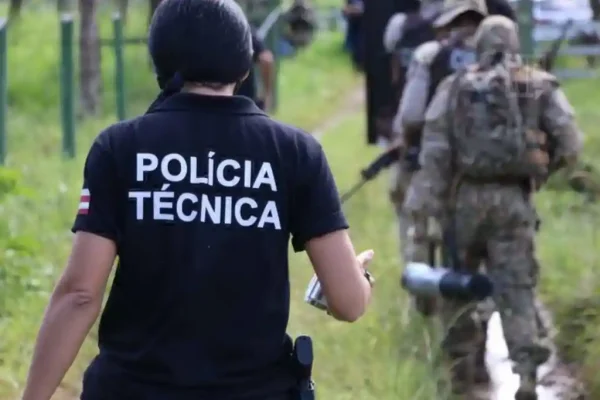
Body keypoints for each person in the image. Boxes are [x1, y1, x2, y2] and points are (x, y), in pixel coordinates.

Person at [21, 0, 375, 399]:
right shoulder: (294, 152)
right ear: (244, 67)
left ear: (161, 62)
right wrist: (356, 277)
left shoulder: (121, 148)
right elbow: (348, 303)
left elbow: (81, 294)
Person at [404, 15, 583, 399]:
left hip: (464, 199)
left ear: (478, 44)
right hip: (514, 201)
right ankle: (527, 376)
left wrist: (427, 211)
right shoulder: (538, 85)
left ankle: (462, 374)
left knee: (459, 285)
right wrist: (541, 172)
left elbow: (435, 153)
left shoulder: (455, 87)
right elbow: (571, 142)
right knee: (517, 286)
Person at [389, 0, 487, 304]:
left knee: (419, 230)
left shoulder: (431, 55)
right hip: (487, 173)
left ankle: (425, 303)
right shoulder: (503, 60)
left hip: (432, 165)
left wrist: (406, 145)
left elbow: (411, 115)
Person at [236, 27, 275, 112]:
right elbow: (266, 59)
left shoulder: (203, 28)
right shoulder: (243, 29)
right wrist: (267, 94)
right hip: (245, 103)